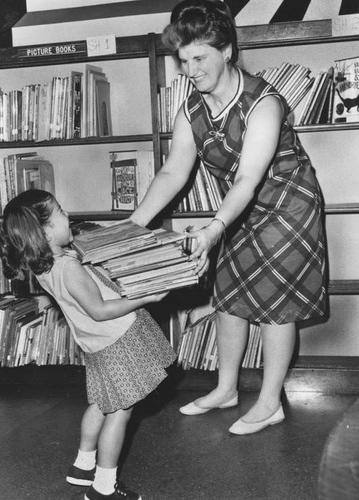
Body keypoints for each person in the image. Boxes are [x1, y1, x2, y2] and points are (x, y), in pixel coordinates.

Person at [129, 0, 326, 435]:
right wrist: (133, 225)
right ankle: (227, 388)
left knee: (278, 304)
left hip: (288, 204)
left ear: (227, 51)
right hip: (239, 210)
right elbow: (172, 172)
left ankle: (270, 401)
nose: (191, 69)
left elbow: (249, 178)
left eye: (200, 57)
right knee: (228, 295)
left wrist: (216, 227)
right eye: (183, 61)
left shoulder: (264, 103)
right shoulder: (191, 109)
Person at [0, 189, 176, 500]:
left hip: (97, 344)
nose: (69, 216)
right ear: (45, 230)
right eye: (61, 212)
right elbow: (100, 310)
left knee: (102, 404)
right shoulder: (68, 267)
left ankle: (83, 465)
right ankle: (103, 488)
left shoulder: (47, 264)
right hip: (117, 339)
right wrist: (147, 296)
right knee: (120, 411)